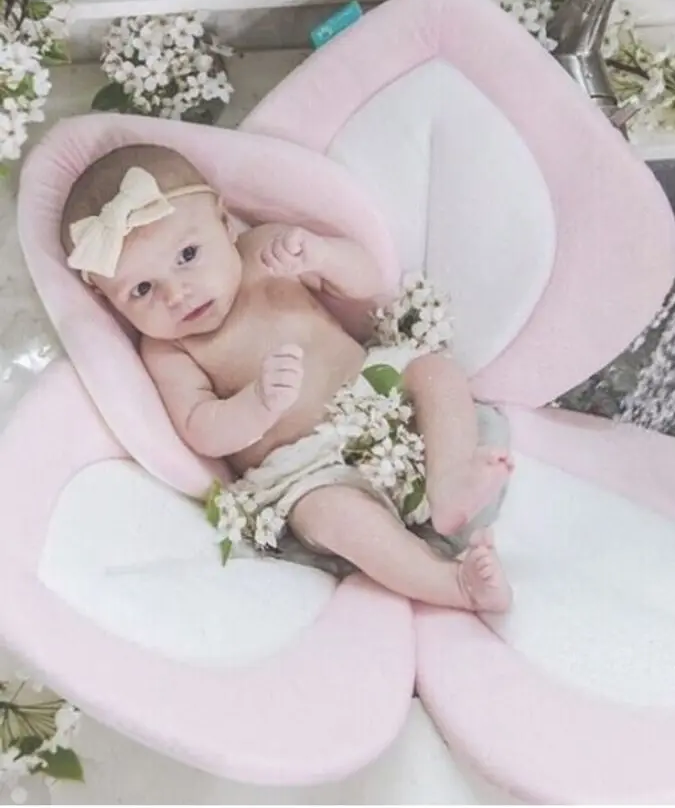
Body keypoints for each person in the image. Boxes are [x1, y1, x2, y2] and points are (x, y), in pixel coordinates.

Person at [61, 144, 514, 612]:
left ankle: (448, 481)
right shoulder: (168, 349)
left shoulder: (265, 252)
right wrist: (256, 404)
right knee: (337, 519)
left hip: (378, 395)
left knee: (435, 372)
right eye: (141, 290)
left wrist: (322, 257)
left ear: (224, 222)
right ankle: (453, 585)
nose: (176, 294)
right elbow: (200, 428)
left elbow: (367, 281)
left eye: (188, 255)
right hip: (308, 472)